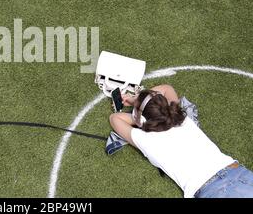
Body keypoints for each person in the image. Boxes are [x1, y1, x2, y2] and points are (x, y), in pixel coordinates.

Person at [108, 84, 253, 198]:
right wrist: (138, 99)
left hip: (213, 191)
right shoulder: (183, 120)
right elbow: (166, 88)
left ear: (142, 120)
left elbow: (115, 118)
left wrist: (136, 109)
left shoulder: (146, 140)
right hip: (237, 172)